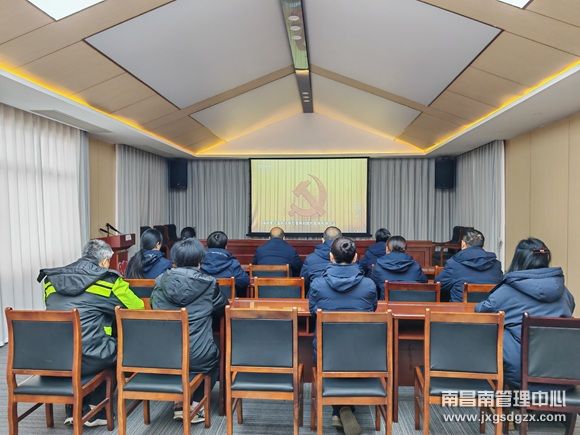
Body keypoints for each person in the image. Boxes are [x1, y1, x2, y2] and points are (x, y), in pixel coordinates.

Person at [38, 239, 144, 427]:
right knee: (116, 351)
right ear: (104, 261)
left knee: (82, 344)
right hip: (90, 356)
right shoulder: (110, 281)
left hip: (54, 356)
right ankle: (97, 411)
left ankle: (74, 408)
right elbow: (137, 309)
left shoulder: (51, 280)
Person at [476, 238, 575, 389]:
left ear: (518, 259)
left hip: (521, 379)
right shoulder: (564, 292)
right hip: (565, 377)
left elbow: (482, 311)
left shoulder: (507, 291)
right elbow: (571, 307)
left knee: (497, 329)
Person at [152, 238, 227, 423]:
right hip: (197, 354)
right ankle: (194, 404)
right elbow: (222, 307)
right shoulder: (209, 284)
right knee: (213, 356)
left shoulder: (160, 281)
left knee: (183, 359)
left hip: (163, 353)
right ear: (200, 260)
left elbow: (154, 306)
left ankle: (179, 402)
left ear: (174, 260)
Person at [309, 237, 377, 434]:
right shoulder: (369, 285)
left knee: (332, 353)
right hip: (362, 352)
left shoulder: (317, 284)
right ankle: (344, 408)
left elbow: (314, 312)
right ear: (355, 257)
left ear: (331, 257)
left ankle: (339, 409)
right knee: (349, 350)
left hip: (327, 352)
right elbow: (371, 310)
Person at [437, 229, 503, 302]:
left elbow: (438, 286)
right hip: (489, 308)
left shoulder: (454, 264)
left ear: (463, 244)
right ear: (483, 245)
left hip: (460, 308)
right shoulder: (496, 265)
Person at [201, 231, 250, 297]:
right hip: (227, 302)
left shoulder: (198, 263)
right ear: (226, 246)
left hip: (203, 302)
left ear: (207, 246)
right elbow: (245, 281)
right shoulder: (233, 264)